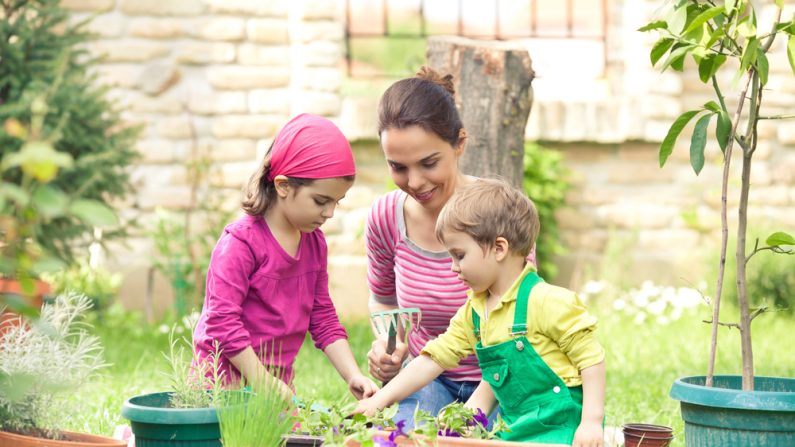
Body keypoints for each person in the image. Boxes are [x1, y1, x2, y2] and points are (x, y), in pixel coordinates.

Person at [356, 178, 606, 446]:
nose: (453, 267)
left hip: (563, 427)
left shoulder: (548, 301)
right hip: (515, 427)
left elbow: (591, 361)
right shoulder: (474, 312)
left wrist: (591, 422)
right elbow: (436, 361)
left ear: (499, 248)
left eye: (459, 255)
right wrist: (381, 401)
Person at [365, 66, 535, 427]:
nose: (414, 182)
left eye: (428, 163)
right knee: (406, 434)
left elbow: (522, 324)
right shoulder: (385, 217)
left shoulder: (499, 213)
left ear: (459, 143)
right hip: (428, 376)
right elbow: (383, 299)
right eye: (398, 167)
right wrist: (389, 346)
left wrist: (471, 416)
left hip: (502, 379)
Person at [193, 113, 378, 400]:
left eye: (336, 203)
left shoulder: (314, 243)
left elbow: (323, 316)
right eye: (320, 201)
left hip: (274, 389)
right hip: (220, 387)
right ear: (283, 186)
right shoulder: (240, 243)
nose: (329, 213)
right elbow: (221, 323)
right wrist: (262, 382)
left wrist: (353, 374)